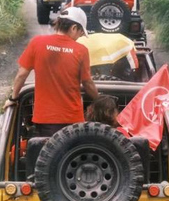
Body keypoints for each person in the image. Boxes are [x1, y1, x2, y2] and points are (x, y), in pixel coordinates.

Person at [5, 8, 99, 137]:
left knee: (47, 155)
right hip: (72, 121)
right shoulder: (81, 50)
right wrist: (99, 100)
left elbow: (21, 74)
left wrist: (13, 98)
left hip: (44, 120)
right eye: (81, 33)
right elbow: (87, 83)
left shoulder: (37, 43)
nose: (79, 37)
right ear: (73, 28)